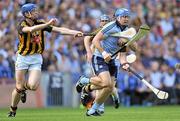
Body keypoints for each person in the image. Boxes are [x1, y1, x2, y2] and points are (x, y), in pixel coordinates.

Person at [8, 3, 83, 117]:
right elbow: (31, 29)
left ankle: (24, 89)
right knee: (18, 87)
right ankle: (13, 110)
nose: (36, 12)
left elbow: (59, 30)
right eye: (34, 11)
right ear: (27, 14)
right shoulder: (21, 25)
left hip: (36, 57)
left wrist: (74, 32)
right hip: (22, 57)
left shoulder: (41, 23)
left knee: (33, 86)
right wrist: (47, 24)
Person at [76, 8, 134, 116]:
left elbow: (123, 54)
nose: (126, 19)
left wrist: (125, 63)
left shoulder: (126, 31)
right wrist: (99, 53)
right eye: (124, 17)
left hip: (113, 61)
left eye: (127, 17)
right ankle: (85, 81)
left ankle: (94, 108)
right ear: (118, 18)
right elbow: (92, 39)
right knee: (105, 83)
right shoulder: (109, 27)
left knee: (109, 87)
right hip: (100, 58)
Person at [80, 14, 120, 112]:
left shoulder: (114, 30)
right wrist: (89, 51)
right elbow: (86, 38)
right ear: (100, 22)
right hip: (99, 60)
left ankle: (87, 88)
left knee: (108, 85)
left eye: (106, 21)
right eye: (102, 21)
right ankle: (100, 107)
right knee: (103, 83)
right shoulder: (100, 31)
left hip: (113, 61)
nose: (104, 23)